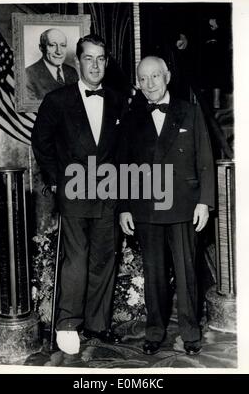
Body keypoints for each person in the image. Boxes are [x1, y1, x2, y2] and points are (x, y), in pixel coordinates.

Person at [32, 34, 127, 355]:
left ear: (107, 62)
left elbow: (125, 149)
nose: (96, 65)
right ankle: (67, 324)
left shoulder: (118, 99)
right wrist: (56, 180)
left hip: (110, 191)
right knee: (76, 260)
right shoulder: (58, 100)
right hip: (73, 190)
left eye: (101, 58)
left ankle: (98, 324)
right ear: (78, 62)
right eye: (89, 58)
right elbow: (41, 143)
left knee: (104, 259)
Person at [119, 56, 215, 356]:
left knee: (187, 273)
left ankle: (189, 332)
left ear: (167, 76)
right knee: (154, 274)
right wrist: (124, 207)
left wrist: (205, 202)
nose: (149, 85)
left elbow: (205, 161)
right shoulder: (132, 116)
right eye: (143, 79)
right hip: (146, 208)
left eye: (155, 77)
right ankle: (155, 331)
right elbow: (123, 167)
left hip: (185, 207)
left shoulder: (190, 112)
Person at [26, 28, 78, 100]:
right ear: (41, 48)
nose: (59, 51)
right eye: (52, 45)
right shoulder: (29, 74)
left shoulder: (72, 72)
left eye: (63, 45)